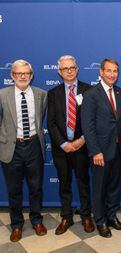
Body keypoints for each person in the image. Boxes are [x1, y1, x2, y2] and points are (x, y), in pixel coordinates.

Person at [0, 60, 47, 242]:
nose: (22, 76)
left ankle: (36, 220)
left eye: (26, 73)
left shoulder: (41, 94)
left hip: (34, 146)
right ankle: (17, 225)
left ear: (31, 75)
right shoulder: (2, 95)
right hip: (11, 148)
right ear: (12, 75)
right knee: (14, 190)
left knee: (36, 187)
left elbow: (40, 117)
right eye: (18, 73)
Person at [47, 55, 94, 235]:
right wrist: (63, 143)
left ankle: (86, 215)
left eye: (72, 67)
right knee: (64, 184)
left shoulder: (88, 90)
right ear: (59, 72)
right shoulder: (53, 93)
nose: (69, 71)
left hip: (82, 146)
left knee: (83, 182)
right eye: (65, 68)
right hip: (62, 149)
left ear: (77, 69)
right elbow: (50, 123)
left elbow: (91, 120)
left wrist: (81, 140)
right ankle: (66, 216)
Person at [81, 58, 121, 238]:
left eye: (115, 71)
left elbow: (120, 121)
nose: (112, 74)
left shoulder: (119, 92)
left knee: (115, 186)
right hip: (100, 151)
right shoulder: (91, 94)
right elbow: (88, 125)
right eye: (108, 70)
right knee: (99, 188)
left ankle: (112, 216)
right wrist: (95, 151)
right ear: (101, 72)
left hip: (118, 149)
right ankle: (100, 221)